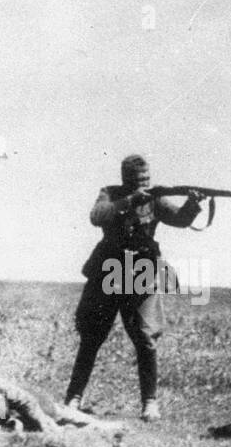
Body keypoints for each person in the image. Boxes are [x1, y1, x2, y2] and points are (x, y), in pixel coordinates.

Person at [64, 155, 205, 421]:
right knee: (92, 336)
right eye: (139, 181)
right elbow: (97, 216)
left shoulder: (156, 198)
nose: (144, 185)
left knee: (145, 338)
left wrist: (193, 204)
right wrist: (129, 201)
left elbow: (180, 219)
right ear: (125, 179)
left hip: (141, 271)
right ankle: (74, 398)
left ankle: (149, 403)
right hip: (108, 268)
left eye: (147, 180)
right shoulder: (110, 194)